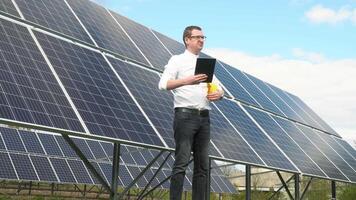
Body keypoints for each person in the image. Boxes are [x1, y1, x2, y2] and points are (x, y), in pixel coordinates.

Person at [158, 25, 224, 200]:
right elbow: (163, 84)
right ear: (187, 40)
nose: (201, 40)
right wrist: (187, 80)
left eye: (203, 37)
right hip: (185, 117)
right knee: (181, 163)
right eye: (197, 37)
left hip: (204, 118)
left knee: (202, 167)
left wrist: (219, 94)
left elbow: (219, 88)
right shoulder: (177, 60)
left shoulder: (205, 64)